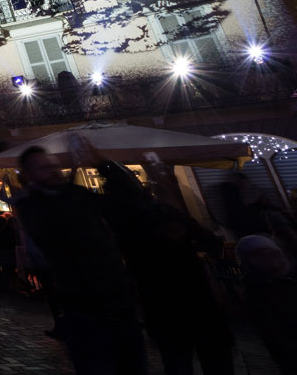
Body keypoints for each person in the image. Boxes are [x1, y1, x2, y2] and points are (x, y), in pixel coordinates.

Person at [16, 145, 146, 375]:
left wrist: (103, 164)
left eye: (54, 166)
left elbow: (129, 202)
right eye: (44, 168)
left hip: (119, 303)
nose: (54, 171)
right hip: (84, 309)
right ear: (28, 175)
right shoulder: (32, 206)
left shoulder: (75, 194)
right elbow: (64, 229)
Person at [100, 160, 233, 375]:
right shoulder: (164, 214)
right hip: (195, 298)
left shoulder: (122, 227)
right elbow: (209, 242)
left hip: (161, 306)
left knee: (178, 362)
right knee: (213, 360)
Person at [237, 234, 297, 373]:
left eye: (273, 253)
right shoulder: (257, 295)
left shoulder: (289, 283)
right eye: (262, 254)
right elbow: (276, 337)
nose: (271, 258)